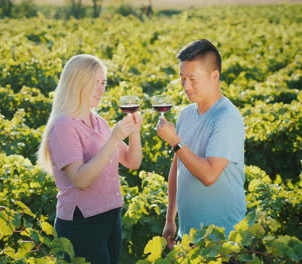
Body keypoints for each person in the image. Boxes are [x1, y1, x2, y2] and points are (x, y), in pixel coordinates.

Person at [38, 54, 143, 263]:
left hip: (111, 217)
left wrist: (135, 132)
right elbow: (80, 180)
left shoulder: (99, 122)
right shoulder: (64, 126)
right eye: (94, 82)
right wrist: (113, 139)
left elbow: (133, 162)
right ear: (77, 82)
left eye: (103, 82)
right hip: (82, 222)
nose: (101, 89)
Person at [155, 39, 246, 249]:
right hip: (188, 238)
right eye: (182, 78)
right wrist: (170, 218)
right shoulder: (186, 114)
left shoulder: (227, 117)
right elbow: (177, 168)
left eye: (193, 79)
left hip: (223, 242)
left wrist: (175, 141)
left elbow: (209, 175)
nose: (186, 86)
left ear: (215, 76)